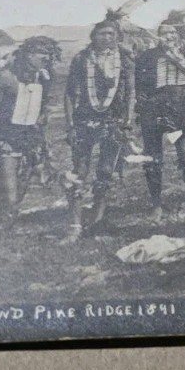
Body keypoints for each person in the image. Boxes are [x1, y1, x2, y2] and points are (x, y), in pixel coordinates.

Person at [0, 36, 62, 261]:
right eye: (39, 53)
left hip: (30, 144)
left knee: (15, 203)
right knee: (9, 199)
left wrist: (42, 126)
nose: (44, 58)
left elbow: (43, 109)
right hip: (6, 143)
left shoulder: (44, 77)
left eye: (48, 54)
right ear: (25, 54)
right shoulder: (5, 78)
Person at [135, 0, 185, 220]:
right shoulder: (147, 57)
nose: (168, 37)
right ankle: (156, 205)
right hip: (153, 112)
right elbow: (140, 86)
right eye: (163, 33)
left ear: (179, 34)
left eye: (172, 33)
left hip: (180, 111)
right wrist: (144, 107)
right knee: (153, 159)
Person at [65, 15, 137, 234]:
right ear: (93, 36)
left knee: (106, 171)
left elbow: (131, 92)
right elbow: (69, 93)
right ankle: (75, 224)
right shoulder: (81, 59)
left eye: (111, 34)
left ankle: (97, 220)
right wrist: (70, 125)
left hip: (113, 121)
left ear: (118, 36)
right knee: (79, 171)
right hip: (84, 120)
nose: (107, 38)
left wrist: (128, 121)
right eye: (102, 34)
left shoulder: (125, 59)